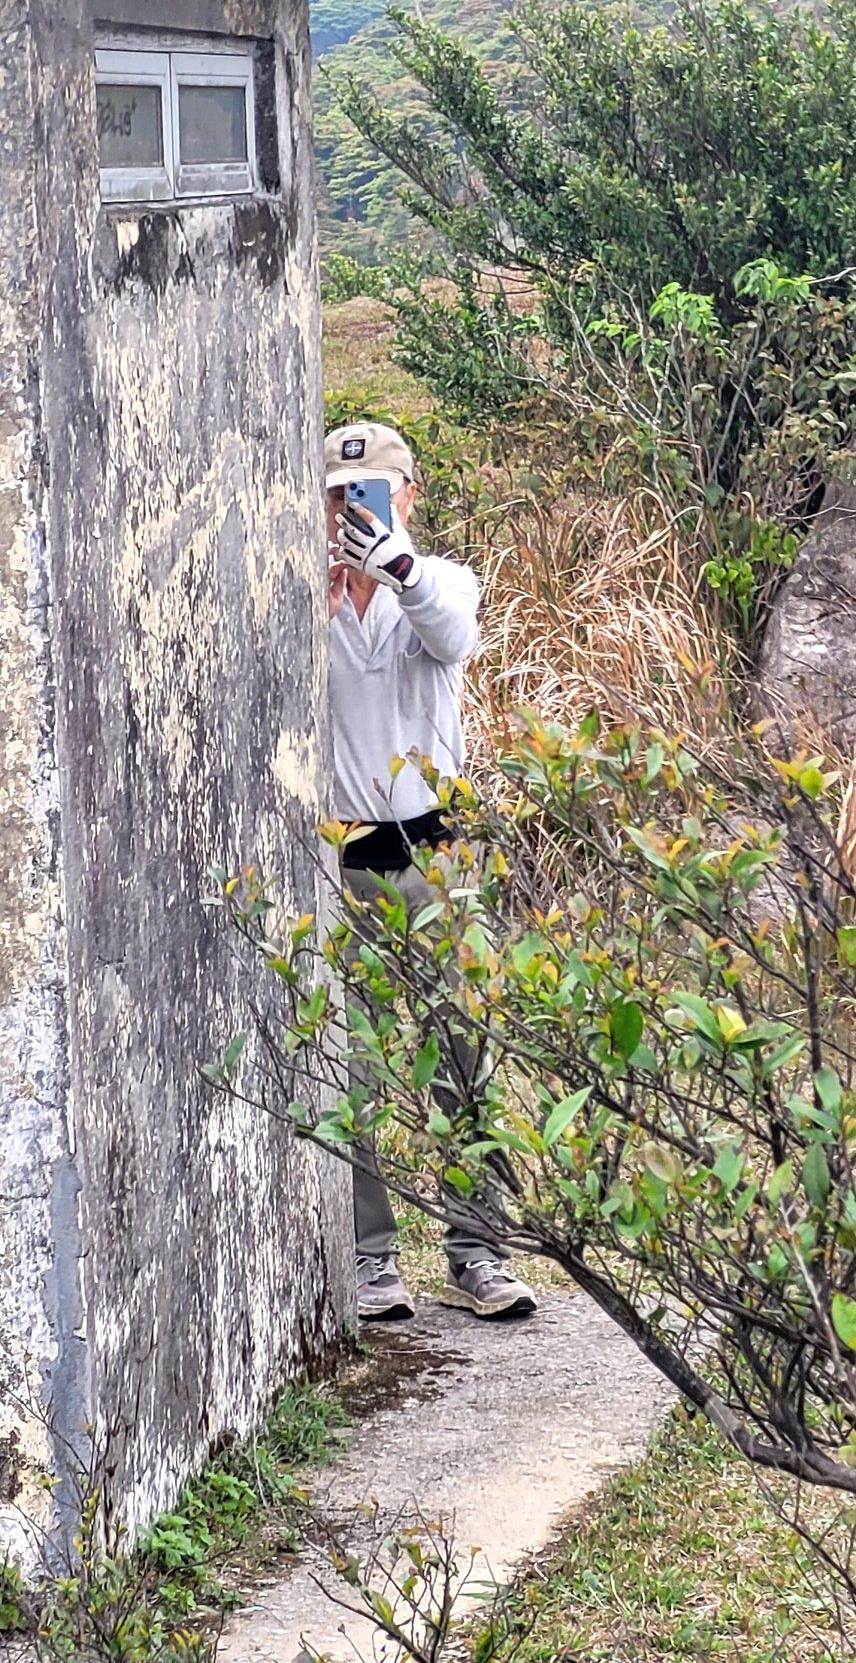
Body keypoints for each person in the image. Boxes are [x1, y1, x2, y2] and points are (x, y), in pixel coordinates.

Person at [325, 419, 537, 1326]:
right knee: (358, 1062)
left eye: (371, 493)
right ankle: (372, 1260)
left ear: (406, 496)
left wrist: (398, 568)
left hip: (440, 851)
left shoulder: (443, 582)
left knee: (464, 1052)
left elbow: (451, 636)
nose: (355, 510)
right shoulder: (303, 601)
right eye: (341, 497)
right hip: (345, 853)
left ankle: (477, 1250)